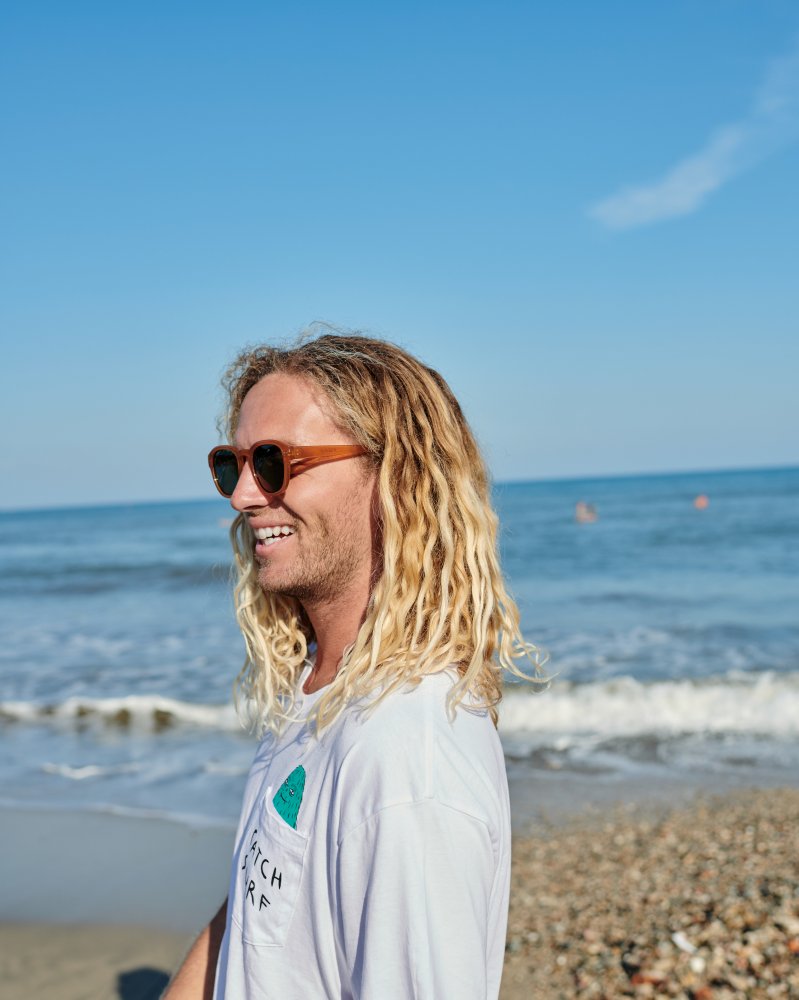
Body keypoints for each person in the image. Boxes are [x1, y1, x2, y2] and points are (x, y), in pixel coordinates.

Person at [166, 331, 543, 999]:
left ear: (394, 478)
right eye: (233, 465)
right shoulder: (320, 684)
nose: (242, 496)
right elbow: (256, 905)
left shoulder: (405, 756)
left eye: (274, 462)